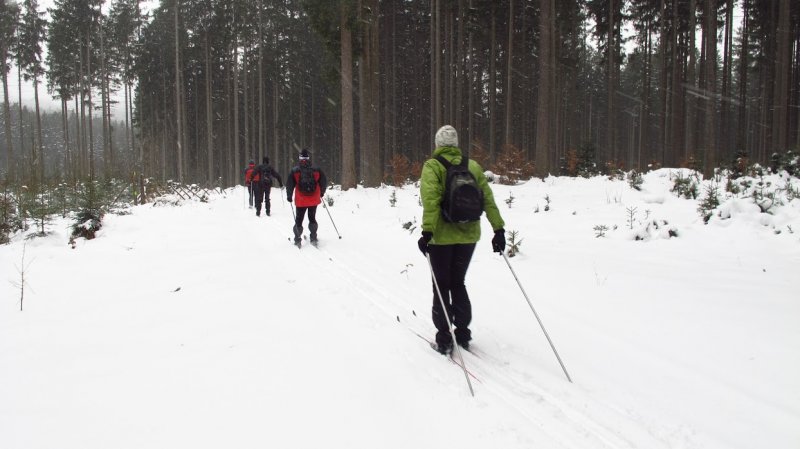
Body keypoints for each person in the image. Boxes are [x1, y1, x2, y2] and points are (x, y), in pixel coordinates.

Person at [417, 125, 506, 354]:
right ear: (456, 144)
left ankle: (444, 338)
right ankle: (463, 334)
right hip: (469, 236)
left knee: (441, 286)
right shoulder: (473, 166)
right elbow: (488, 199)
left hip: (441, 238)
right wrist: (499, 229)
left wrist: (427, 231)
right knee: (458, 282)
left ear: (437, 144)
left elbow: (431, 200)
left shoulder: (433, 166)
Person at [286, 149, 327, 245]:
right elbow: (323, 181)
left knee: (299, 220)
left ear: (300, 158)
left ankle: (297, 239)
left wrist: (289, 195)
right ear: (308, 158)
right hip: (314, 199)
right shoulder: (317, 169)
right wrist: (322, 192)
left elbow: (289, 184)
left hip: (301, 200)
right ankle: (313, 237)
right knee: (312, 218)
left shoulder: (295, 170)